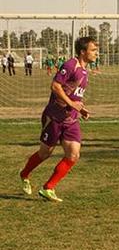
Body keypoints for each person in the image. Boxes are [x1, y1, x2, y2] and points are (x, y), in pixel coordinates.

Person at [19, 36, 98, 202]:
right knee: (45, 153)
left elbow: (74, 94)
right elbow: (55, 86)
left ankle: (48, 188)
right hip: (54, 116)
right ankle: (25, 173)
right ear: (83, 52)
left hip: (71, 120)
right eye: (93, 50)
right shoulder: (71, 64)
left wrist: (81, 109)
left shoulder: (84, 70)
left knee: (73, 155)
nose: (96, 53)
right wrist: (71, 103)